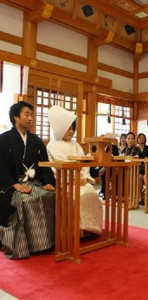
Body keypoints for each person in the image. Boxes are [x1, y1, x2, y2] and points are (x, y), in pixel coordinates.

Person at [0, 101, 55, 259]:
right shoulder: (3, 140)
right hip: (11, 185)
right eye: (26, 114)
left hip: (33, 182)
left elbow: (44, 164)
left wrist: (48, 182)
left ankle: (47, 242)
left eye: (32, 115)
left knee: (50, 195)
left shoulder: (35, 140)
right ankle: (30, 245)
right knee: (28, 199)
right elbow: (1, 166)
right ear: (16, 117)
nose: (30, 118)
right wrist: (14, 184)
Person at [47, 106, 103, 236]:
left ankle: (91, 228)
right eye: (68, 128)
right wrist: (69, 180)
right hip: (64, 183)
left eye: (73, 128)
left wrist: (83, 176)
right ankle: (77, 230)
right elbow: (53, 168)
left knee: (90, 193)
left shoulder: (76, 144)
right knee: (77, 197)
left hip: (80, 180)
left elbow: (84, 163)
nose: (71, 131)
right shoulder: (51, 146)